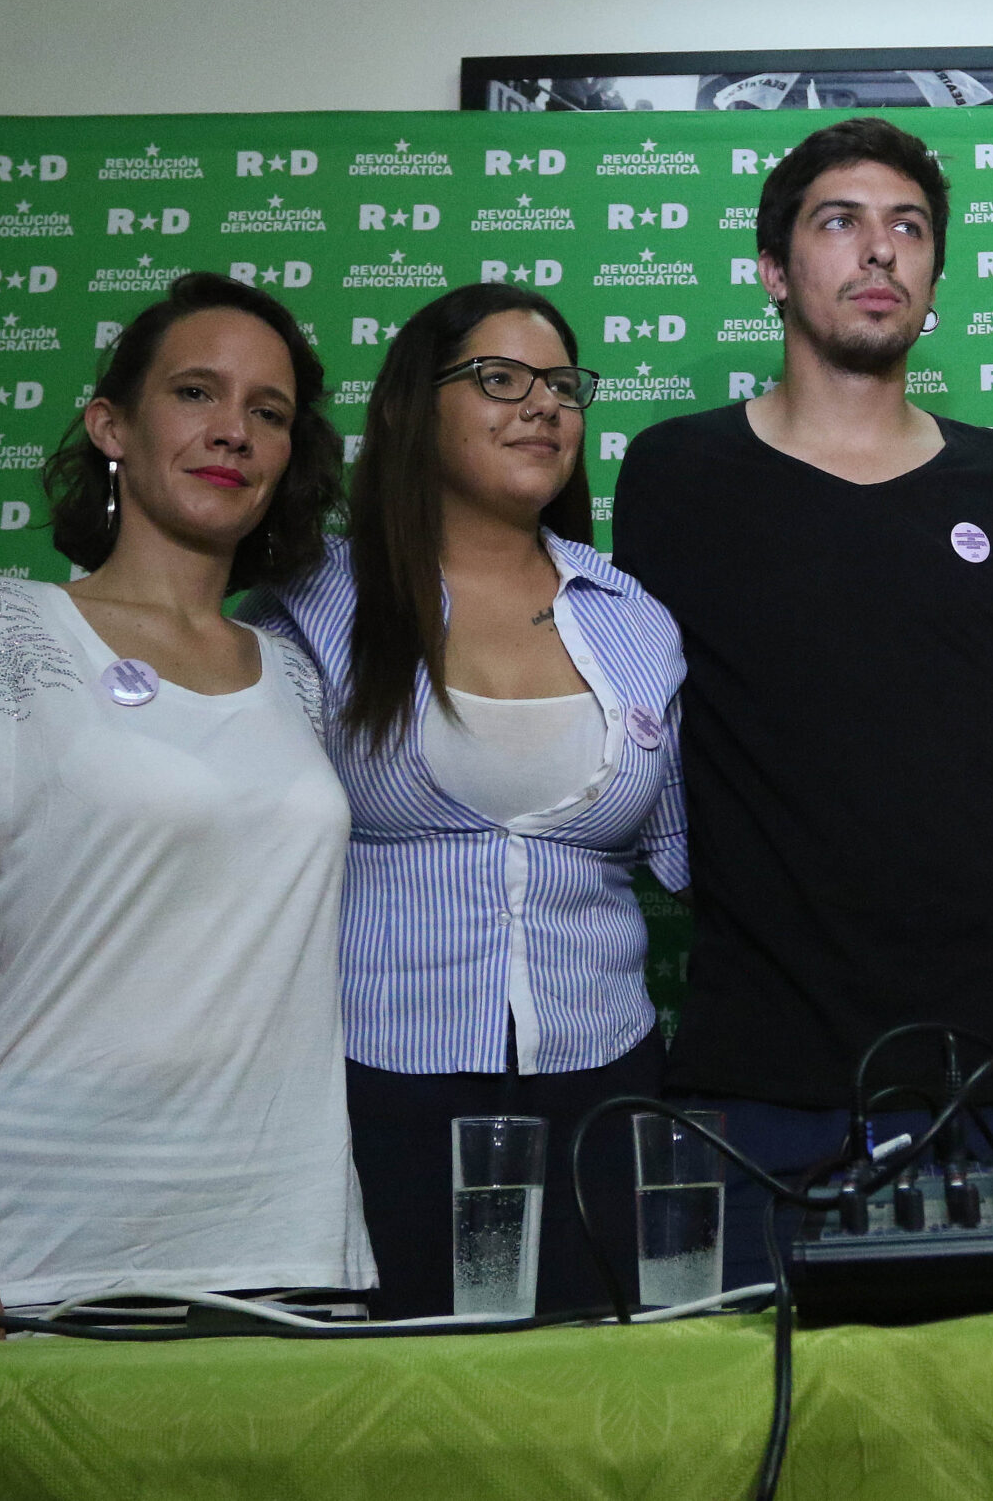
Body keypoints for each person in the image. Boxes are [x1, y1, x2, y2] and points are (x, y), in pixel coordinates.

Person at [611, 117, 993, 1282]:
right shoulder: (676, 474)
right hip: (775, 1066)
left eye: (908, 228)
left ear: (934, 278)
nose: (880, 249)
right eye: (838, 222)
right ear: (773, 269)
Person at [0, 272, 370, 1351]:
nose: (234, 430)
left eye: (268, 411)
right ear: (110, 425)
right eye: (196, 392)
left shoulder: (298, 676)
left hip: (290, 1244)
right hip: (35, 1247)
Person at [236, 282, 689, 1317]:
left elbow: (702, 854)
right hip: (368, 1079)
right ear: (412, 407)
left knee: (597, 1391)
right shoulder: (311, 603)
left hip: (603, 1082)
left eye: (562, 386)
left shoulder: (635, 618)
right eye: (500, 379)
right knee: (390, 1392)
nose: (543, 406)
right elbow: (211, 829)